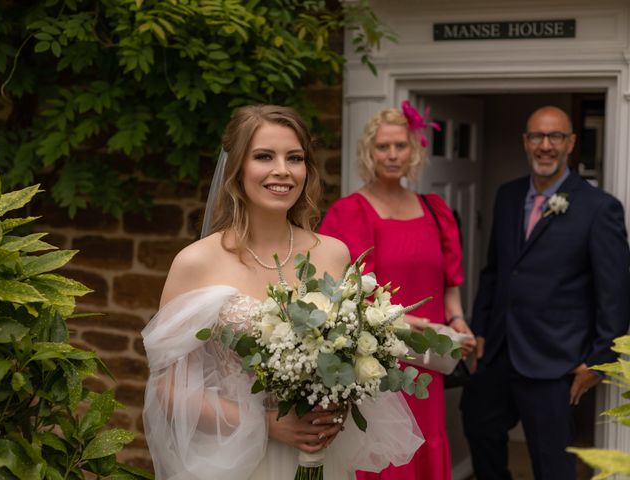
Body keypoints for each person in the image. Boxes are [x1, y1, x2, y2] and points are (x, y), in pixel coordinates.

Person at [141, 105, 424, 480]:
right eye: (264, 157)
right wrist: (267, 424)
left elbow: (346, 360)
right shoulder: (196, 262)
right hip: (237, 460)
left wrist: (338, 403)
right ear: (237, 168)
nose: (283, 170)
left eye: (295, 158)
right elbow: (169, 389)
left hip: (321, 457)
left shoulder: (333, 253)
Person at [461, 105, 630, 480]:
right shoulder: (507, 196)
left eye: (555, 136)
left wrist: (599, 361)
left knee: (551, 462)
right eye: (537, 136)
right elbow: (495, 272)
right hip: (501, 351)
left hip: (555, 360)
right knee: (478, 423)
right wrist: (483, 329)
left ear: (570, 143)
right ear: (526, 141)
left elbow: (615, 294)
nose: (545, 145)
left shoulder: (599, 208)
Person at [320, 103, 476, 480]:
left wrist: (458, 321)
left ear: (415, 151)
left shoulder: (435, 209)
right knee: (382, 448)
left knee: (426, 439)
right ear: (368, 153)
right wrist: (400, 321)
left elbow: (449, 283)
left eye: (400, 146)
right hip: (376, 359)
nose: (392, 155)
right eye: (383, 147)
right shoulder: (349, 212)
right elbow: (344, 294)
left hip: (428, 356)